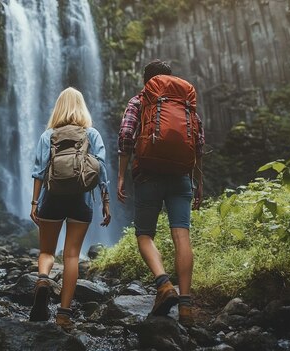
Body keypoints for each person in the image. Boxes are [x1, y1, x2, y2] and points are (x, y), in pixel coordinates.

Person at [117, 60, 204, 327]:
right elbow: (198, 143)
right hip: (181, 177)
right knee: (182, 234)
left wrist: (121, 175)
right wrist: (198, 181)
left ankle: (164, 284)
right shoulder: (185, 103)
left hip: (148, 174)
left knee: (145, 234)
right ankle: (186, 306)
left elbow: (125, 137)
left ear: (147, 81)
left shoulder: (139, 100)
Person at [29, 87, 111, 330]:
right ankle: (63, 314)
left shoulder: (48, 135)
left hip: (51, 197)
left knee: (46, 251)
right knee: (72, 255)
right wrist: (106, 201)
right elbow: (102, 169)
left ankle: (43, 280)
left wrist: (35, 203)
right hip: (82, 198)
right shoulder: (92, 134)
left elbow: (39, 172)